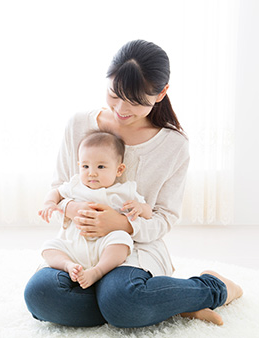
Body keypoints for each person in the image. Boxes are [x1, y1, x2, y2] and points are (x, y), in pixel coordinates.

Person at [24, 39, 243, 328]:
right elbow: (60, 187)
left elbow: (165, 217)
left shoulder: (173, 145)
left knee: (122, 300)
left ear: (161, 93)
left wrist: (121, 224)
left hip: (134, 249)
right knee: (41, 295)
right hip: (77, 248)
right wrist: (73, 209)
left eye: (135, 100)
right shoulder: (78, 125)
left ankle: (212, 288)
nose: (121, 109)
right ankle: (163, 302)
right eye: (114, 95)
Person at [38, 130, 152, 289]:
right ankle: (68, 266)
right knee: (49, 247)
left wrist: (140, 208)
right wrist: (49, 203)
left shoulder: (125, 191)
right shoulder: (76, 185)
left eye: (100, 166)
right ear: (79, 166)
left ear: (119, 170)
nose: (92, 173)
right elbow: (56, 192)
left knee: (122, 240)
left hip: (104, 246)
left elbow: (149, 212)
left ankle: (98, 271)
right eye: (85, 166)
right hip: (73, 244)